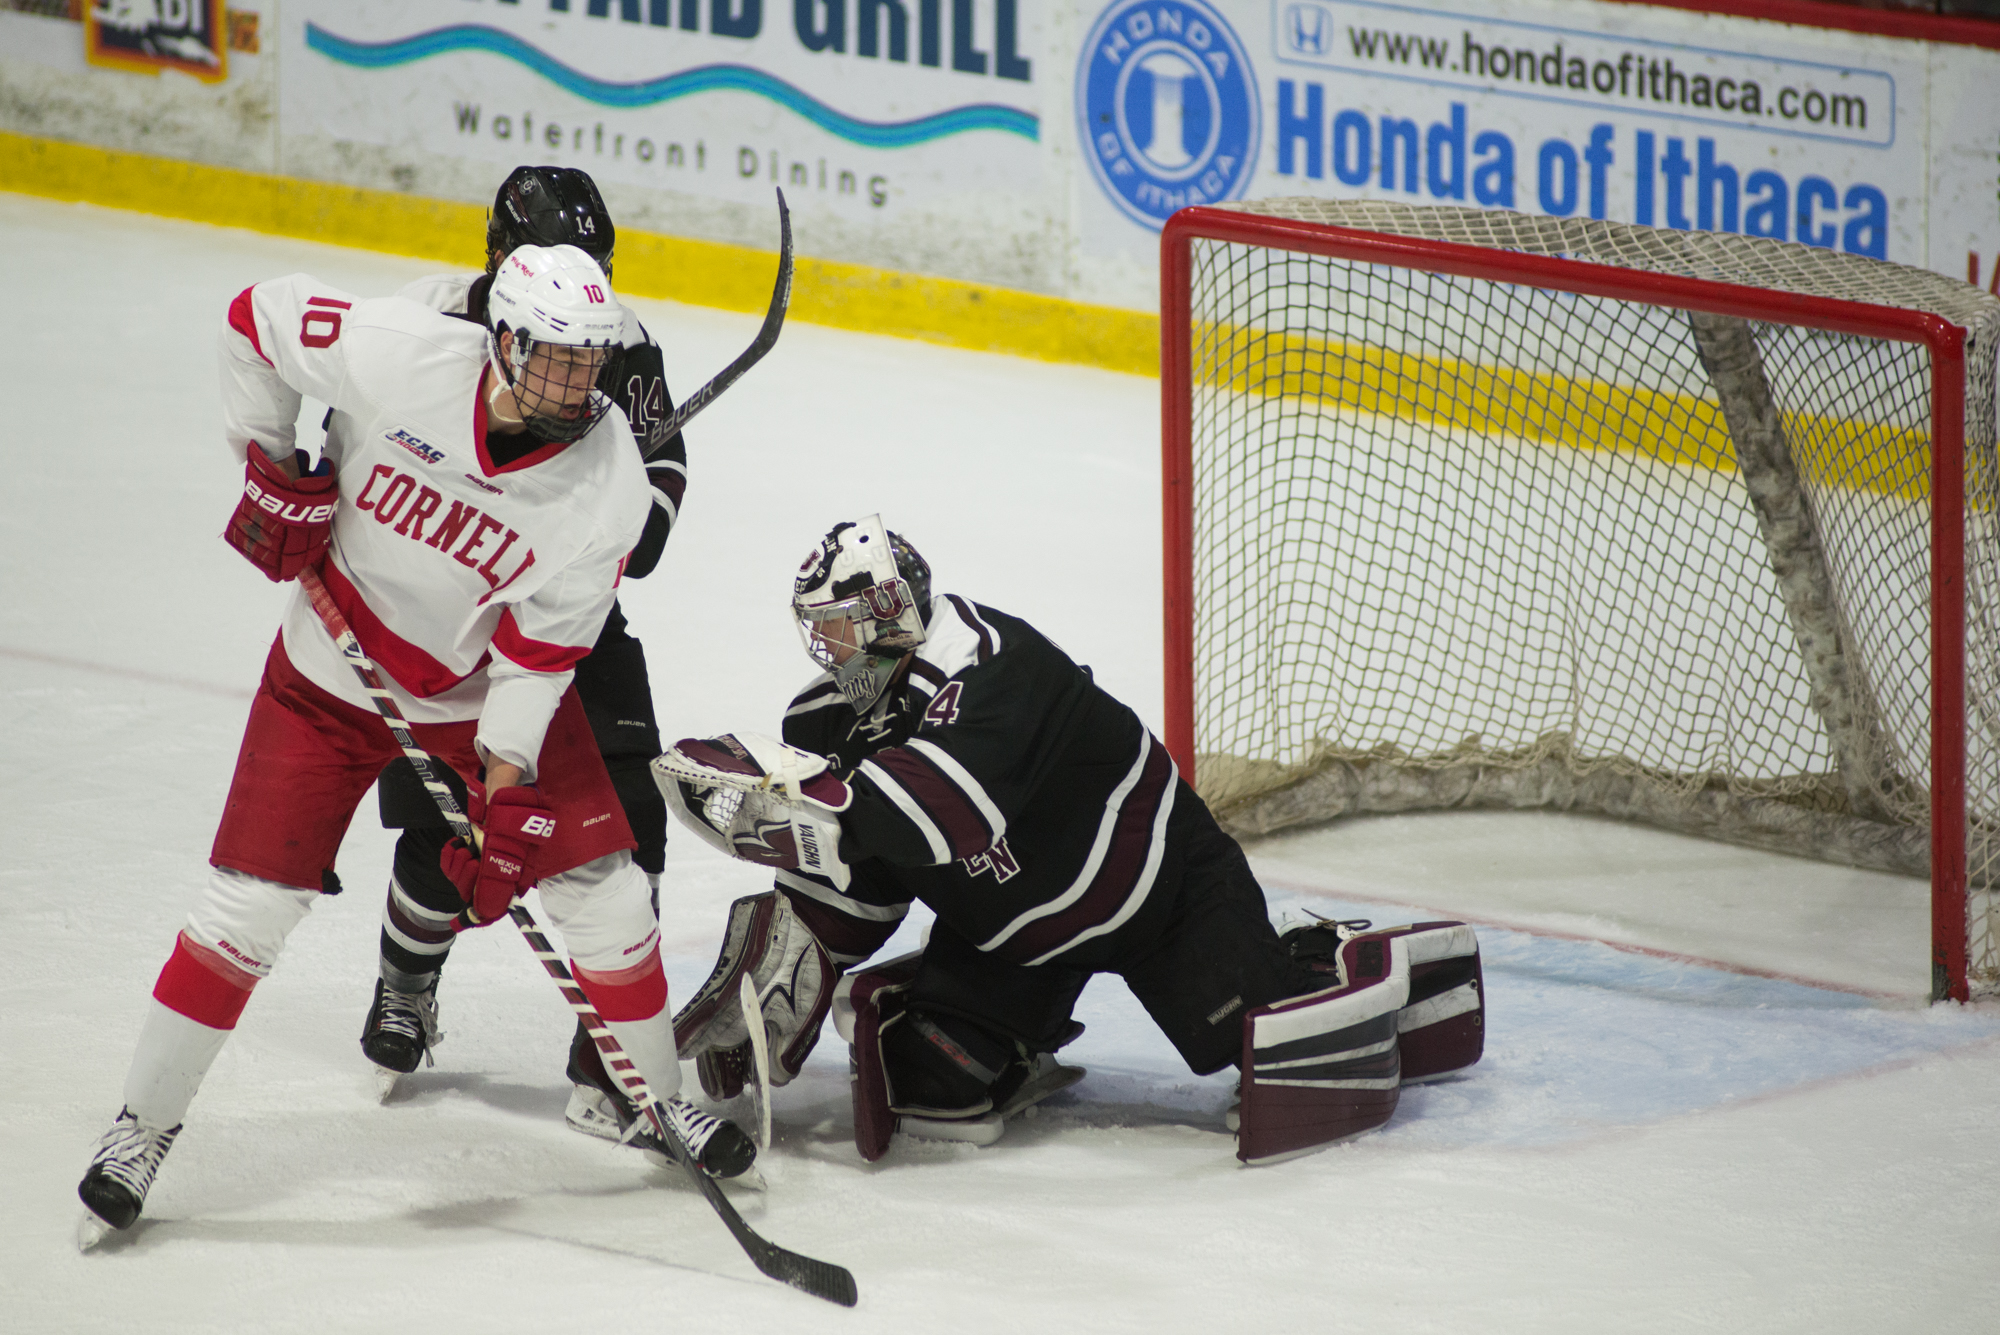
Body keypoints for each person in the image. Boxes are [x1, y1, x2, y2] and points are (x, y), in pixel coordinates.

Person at [77, 242, 753, 1242]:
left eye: (590, 363)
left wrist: (503, 784)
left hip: (472, 696)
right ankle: (141, 1128)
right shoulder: (403, 354)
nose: (577, 384)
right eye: (555, 358)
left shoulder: (606, 485)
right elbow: (254, 317)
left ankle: (652, 1103)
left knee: (606, 890)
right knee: (247, 912)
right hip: (323, 675)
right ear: (503, 340)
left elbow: (539, 649)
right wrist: (268, 465)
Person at [654, 517, 1486, 1166]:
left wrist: (800, 787)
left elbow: (939, 812)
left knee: (1270, 1045)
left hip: (1158, 892)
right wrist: (796, 957)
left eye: (835, 629)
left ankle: (1324, 957)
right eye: (816, 633)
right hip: (1011, 940)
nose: (825, 653)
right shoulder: (824, 719)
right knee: (928, 1084)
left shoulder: (993, 660)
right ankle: (1017, 1040)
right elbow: (865, 870)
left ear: (886, 612)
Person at [356, 166, 692, 1157]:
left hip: (568, 621)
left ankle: (609, 1067)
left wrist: (608, 518)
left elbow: (661, 495)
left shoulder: (621, 341)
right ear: (497, 257)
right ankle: (406, 985)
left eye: (597, 265)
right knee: (445, 838)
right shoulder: (426, 321)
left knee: (633, 830)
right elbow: (347, 430)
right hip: (446, 622)